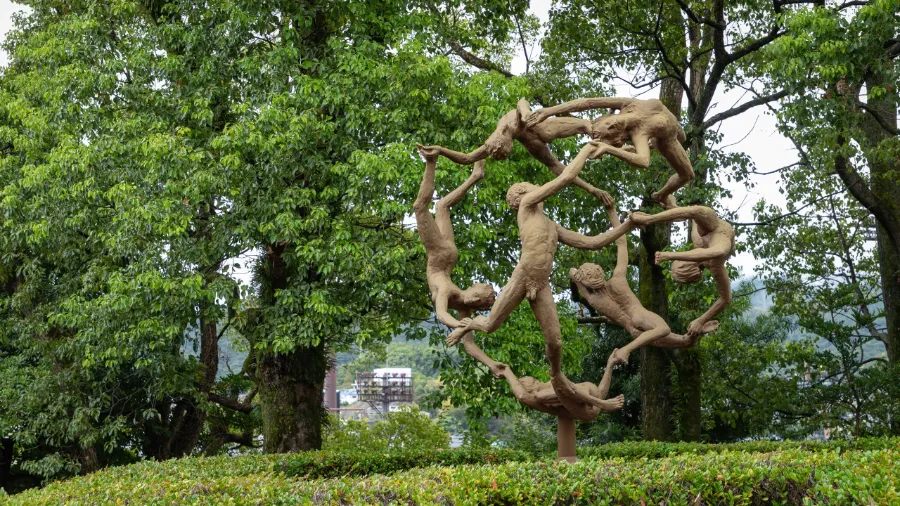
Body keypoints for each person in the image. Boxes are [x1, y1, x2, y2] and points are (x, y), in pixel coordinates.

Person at [445, 140, 622, 421]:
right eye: (527, 189)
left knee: (556, 342)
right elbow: (564, 178)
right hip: (524, 274)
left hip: (541, 284)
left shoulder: (552, 225)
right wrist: (586, 152)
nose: (533, 191)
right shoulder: (527, 206)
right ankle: (466, 327)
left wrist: (626, 224)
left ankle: (557, 376)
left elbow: (591, 243)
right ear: (523, 195)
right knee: (489, 325)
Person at [568, 203, 719, 367]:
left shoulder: (591, 298)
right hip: (639, 317)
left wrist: (575, 273)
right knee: (671, 334)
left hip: (634, 332)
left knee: (684, 341)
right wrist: (612, 211)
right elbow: (621, 242)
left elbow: (574, 274)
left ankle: (694, 332)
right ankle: (626, 349)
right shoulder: (617, 278)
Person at [416, 99, 615, 207]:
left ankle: (614, 135)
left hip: (539, 128)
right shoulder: (492, 143)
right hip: (531, 141)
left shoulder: (510, 123)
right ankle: (593, 188)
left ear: (505, 137)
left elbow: (521, 101)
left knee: (588, 128)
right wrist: (441, 151)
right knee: (556, 167)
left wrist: (527, 113)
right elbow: (467, 158)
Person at [525, 97, 693, 209]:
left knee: (684, 137)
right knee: (687, 175)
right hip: (666, 139)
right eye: (608, 130)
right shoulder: (639, 133)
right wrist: (608, 149)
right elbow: (643, 161)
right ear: (616, 135)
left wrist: (549, 110)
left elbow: (588, 103)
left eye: (606, 123)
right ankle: (662, 195)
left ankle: (655, 145)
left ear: (606, 118)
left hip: (667, 117)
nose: (611, 125)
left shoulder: (627, 105)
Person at [413, 152, 496, 327]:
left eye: (475, 285)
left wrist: (463, 329)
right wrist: (461, 327)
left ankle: (475, 176)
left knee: (442, 206)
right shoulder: (447, 289)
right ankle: (431, 161)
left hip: (450, 256)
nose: (472, 284)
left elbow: (469, 345)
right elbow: (441, 314)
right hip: (439, 254)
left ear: (474, 298)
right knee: (420, 207)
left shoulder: (464, 311)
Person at [459, 330, 624, 418]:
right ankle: (556, 367)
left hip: (590, 399)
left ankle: (557, 368)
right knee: (559, 378)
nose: (532, 379)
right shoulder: (539, 394)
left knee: (560, 379)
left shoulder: (551, 388)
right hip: (587, 403)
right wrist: (508, 371)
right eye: (527, 379)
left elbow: (600, 394)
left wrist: (609, 365)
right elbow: (525, 396)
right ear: (528, 387)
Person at [629, 205, 734, 337]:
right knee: (697, 213)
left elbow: (688, 212)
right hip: (718, 234)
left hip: (712, 229)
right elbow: (720, 251)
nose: (686, 256)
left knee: (694, 212)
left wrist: (663, 209)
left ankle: (658, 205)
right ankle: (652, 214)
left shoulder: (699, 239)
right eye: (684, 259)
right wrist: (670, 255)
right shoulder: (715, 262)